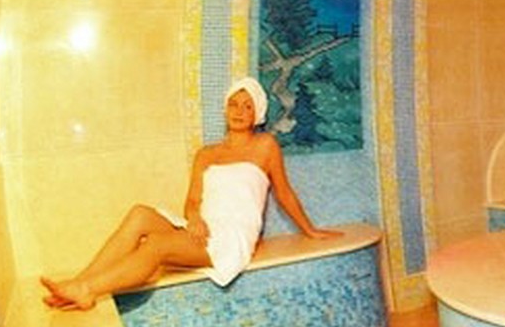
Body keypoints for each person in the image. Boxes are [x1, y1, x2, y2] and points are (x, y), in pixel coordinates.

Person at [41, 77, 339, 310]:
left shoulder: (265, 146)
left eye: (247, 106)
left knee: (156, 245)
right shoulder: (206, 154)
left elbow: (284, 193)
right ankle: (78, 283)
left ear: (257, 113)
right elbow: (193, 200)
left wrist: (310, 230)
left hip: (230, 236)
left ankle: (87, 290)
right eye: (233, 104)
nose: (238, 111)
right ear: (225, 109)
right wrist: (194, 218)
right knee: (140, 214)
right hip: (202, 229)